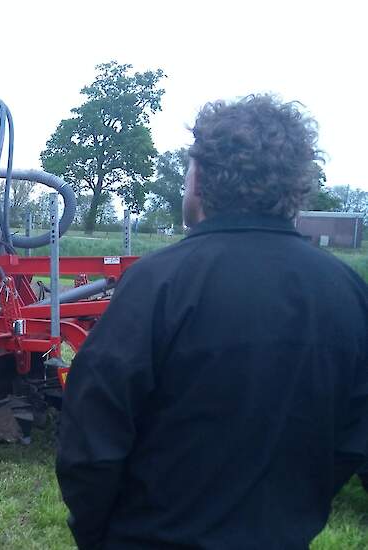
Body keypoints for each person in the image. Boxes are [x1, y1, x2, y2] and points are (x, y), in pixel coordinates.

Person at [56, 95, 368, 549]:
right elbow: (354, 436)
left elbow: (91, 439)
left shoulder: (156, 284)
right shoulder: (347, 292)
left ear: (200, 179)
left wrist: (96, 533)